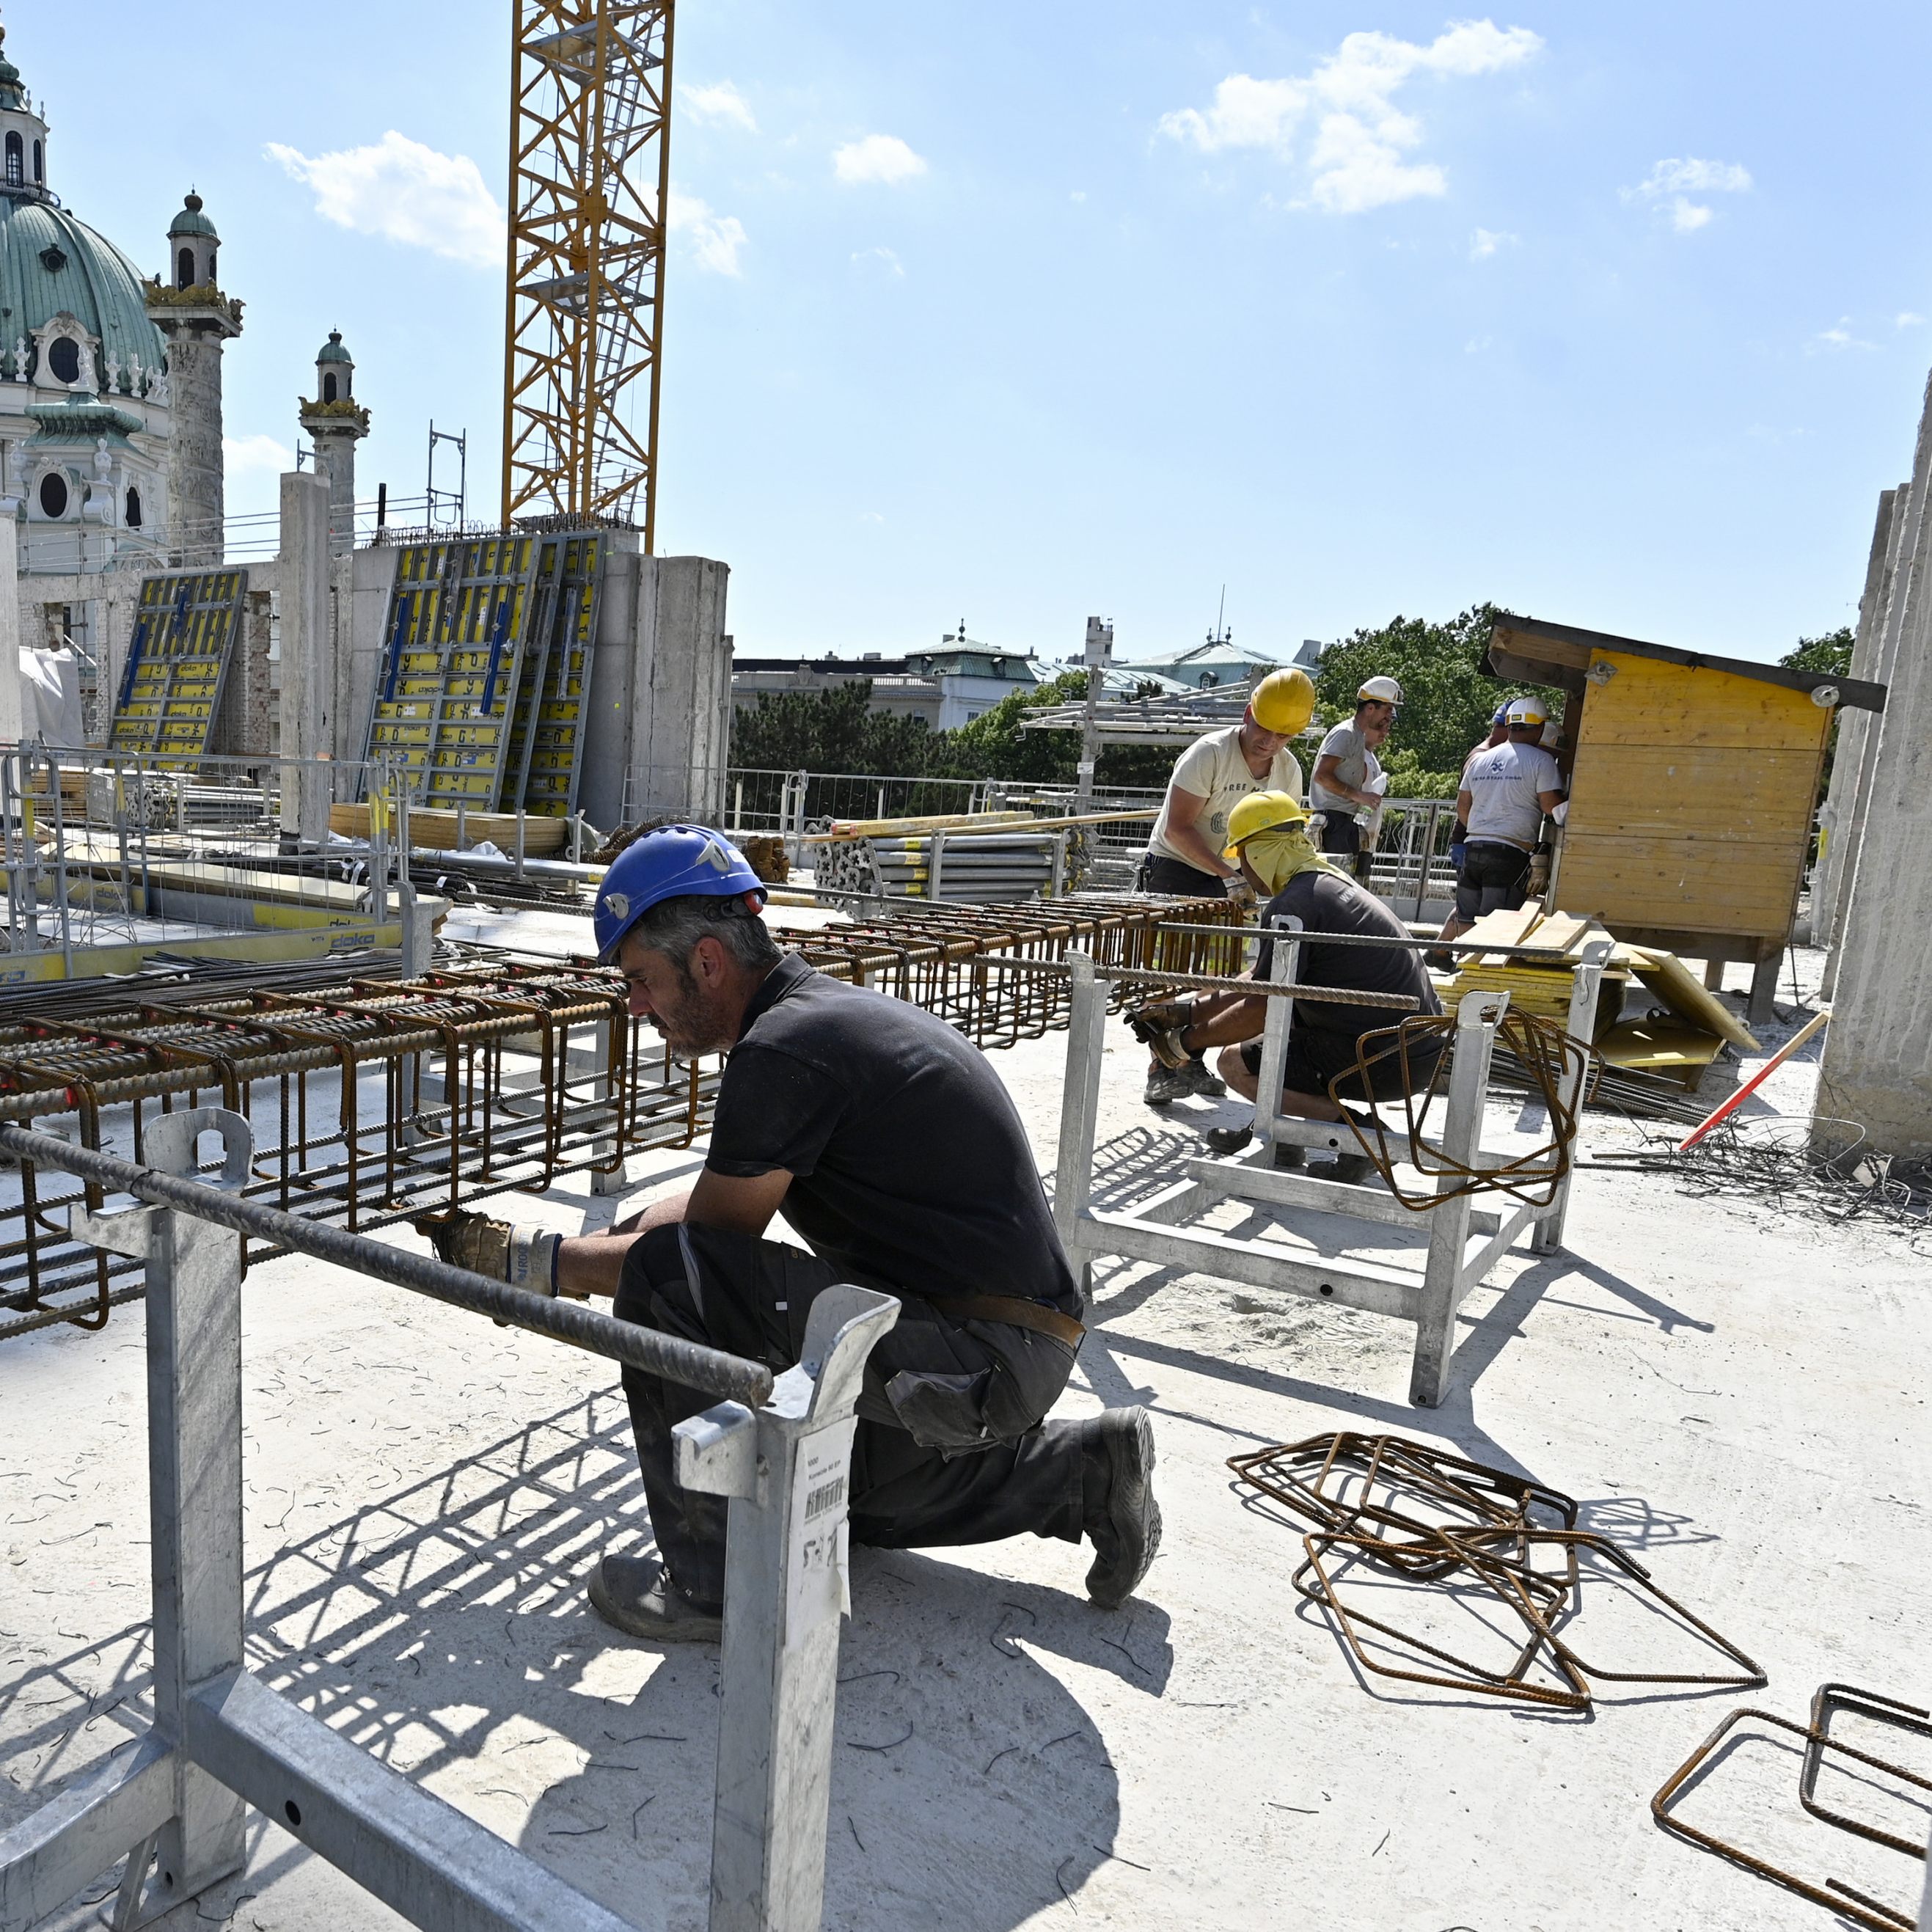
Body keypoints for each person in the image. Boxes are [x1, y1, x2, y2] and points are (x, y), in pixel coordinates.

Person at [422, 826, 1160, 1641]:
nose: (634, 1007)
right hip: (1006, 1342)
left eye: (641, 980)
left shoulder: (784, 1053)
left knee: (664, 1282)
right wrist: (559, 1253)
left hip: (975, 1350)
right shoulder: (817, 1020)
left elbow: (689, 1263)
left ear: (706, 961)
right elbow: (709, 1217)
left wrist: (541, 1267)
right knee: (845, 1500)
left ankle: (713, 1587)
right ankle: (1083, 1471)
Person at [1131, 792, 1442, 1186]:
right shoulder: (1324, 886)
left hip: (1382, 1058)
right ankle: (1282, 1138)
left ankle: (1364, 1137)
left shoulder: (1292, 906)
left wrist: (1185, 1043)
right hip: (1410, 1050)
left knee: (1235, 1062)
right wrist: (1187, 1012)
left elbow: (1261, 1008)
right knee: (1276, 1035)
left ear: (1260, 852)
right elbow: (1264, 981)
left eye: (1242, 855)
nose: (1241, 867)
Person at [1137, 666, 1315, 1105]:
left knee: (1216, 975)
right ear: (1247, 712)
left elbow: (1275, 837)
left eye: (1282, 735)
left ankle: (1189, 1054)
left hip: (1232, 875)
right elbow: (1178, 828)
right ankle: (1159, 1068)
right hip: (1176, 868)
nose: (1269, 741)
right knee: (1167, 973)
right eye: (1263, 728)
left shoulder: (1287, 771)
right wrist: (1229, 875)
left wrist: (1266, 887)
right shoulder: (1210, 754)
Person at [1438, 696, 1565, 945]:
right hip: (1510, 854)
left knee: (1466, 916)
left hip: (1473, 848)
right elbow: (1551, 807)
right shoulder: (1542, 761)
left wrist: (1481, 829)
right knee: (1497, 920)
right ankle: (1484, 969)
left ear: (1509, 726)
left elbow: (1463, 807)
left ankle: (1465, 963)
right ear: (1540, 728)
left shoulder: (1480, 759)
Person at [1310, 676, 1401, 880]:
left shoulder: (1357, 737)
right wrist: (1359, 796)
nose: (1389, 717)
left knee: (1348, 889)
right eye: (1387, 710)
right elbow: (1322, 775)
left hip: (1344, 823)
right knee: (1336, 889)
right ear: (1370, 708)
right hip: (1333, 824)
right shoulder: (1346, 733)